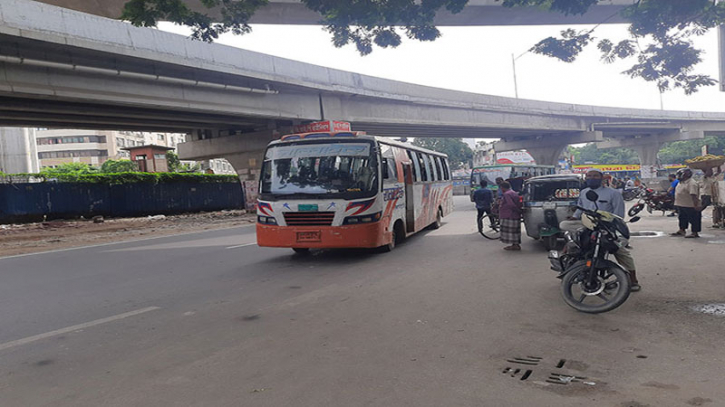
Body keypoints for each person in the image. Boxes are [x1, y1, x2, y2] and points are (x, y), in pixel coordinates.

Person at [570, 169, 641, 292]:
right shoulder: (584, 192)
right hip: (587, 226)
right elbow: (580, 208)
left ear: (602, 178)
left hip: (606, 228)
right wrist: (574, 217)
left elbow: (618, 215)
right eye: (589, 176)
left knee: (621, 252)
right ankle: (571, 271)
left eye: (595, 176)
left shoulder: (613, 193)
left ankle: (633, 279)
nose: (592, 178)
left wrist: (611, 228)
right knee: (573, 244)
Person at [672, 168, 701, 238]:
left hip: (690, 205)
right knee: (682, 218)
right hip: (681, 204)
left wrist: (696, 205)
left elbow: (693, 195)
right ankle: (682, 230)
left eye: (680, 175)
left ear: (686, 175)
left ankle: (695, 232)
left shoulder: (691, 183)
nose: (678, 176)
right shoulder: (680, 182)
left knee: (694, 219)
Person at [498, 181, 522, 251]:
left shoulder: (507, 194)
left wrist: (517, 210)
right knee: (515, 231)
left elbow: (510, 204)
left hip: (509, 214)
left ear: (502, 188)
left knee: (510, 231)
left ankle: (515, 245)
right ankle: (515, 244)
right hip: (515, 215)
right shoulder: (514, 193)